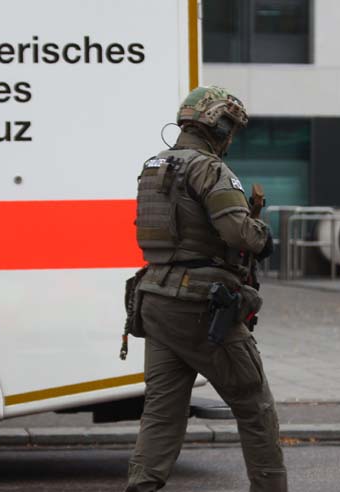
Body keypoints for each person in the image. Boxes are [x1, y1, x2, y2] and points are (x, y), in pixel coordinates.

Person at [126, 86, 287, 491]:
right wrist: (263, 236)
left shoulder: (153, 166)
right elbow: (238, 232)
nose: (231, 137)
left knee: (162, 415)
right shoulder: (210, 169)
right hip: (201, 306)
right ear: (218, 124)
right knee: (255, 407)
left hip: (155, 300)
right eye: (230, 128)